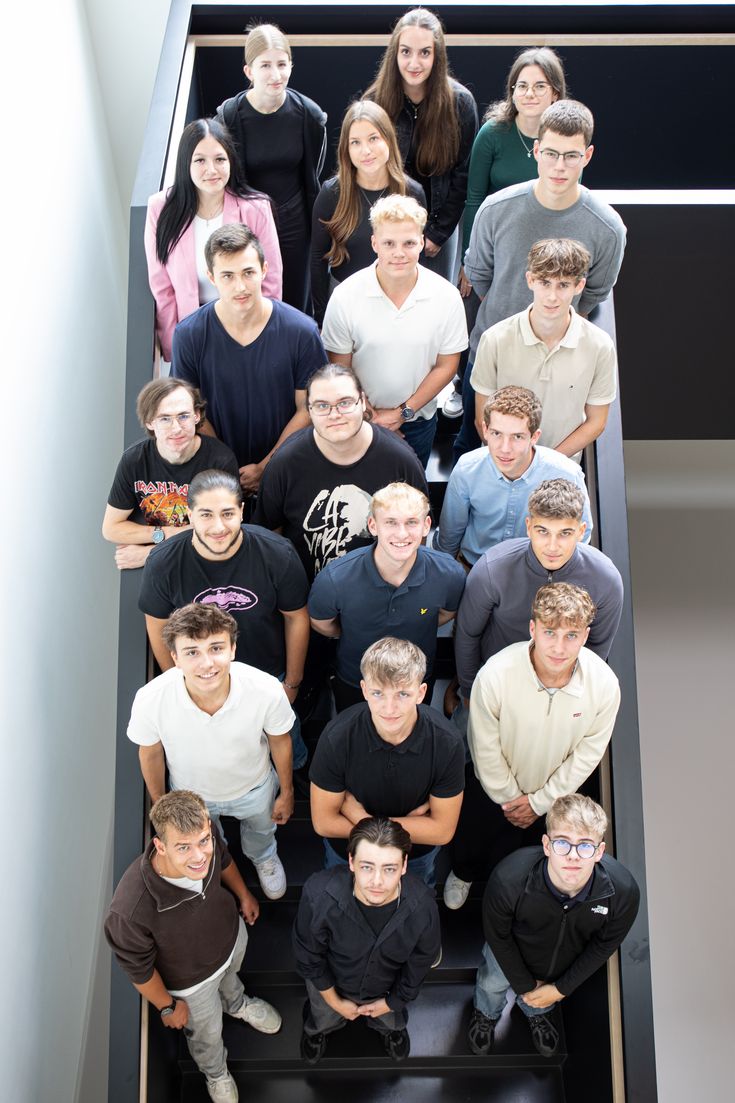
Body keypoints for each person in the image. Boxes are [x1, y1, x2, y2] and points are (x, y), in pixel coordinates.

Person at [455, 99, 626, 458]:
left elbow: (594, 292)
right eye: (551, 153)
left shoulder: (608, 228)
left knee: (546, 454)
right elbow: (480, 275)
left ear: (587, 156)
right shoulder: (496, 209)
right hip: (493, 356)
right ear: (535, 151)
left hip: (560, 365)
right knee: (473, 450)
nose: (559, 166)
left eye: (571, 156)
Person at [444, 582, 620, 911]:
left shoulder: (605, 685)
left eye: (571, 635)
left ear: (585, 636)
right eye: (550, 632)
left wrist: (539, 803)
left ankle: (517, 898)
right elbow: (484, 746)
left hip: (552, 797)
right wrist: (510, 799)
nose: (559, 647)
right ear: (532, 629)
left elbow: (587, 755)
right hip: (493, 788)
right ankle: (463, 874)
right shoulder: (495, 674)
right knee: (473, 839)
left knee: (530, 856)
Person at [105, 790, 281, 1103]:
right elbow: (139, 970)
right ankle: (216, 1073)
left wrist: (243, 894)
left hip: (230, 939)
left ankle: (237, 1004)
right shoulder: (130, 910)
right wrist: (167, 1006)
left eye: (203, 841)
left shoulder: (208, 838)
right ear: (160, 845)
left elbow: (223, 861)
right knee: (207, 1035)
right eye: (183, 847)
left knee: (231, 980)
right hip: (192, 983)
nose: (199, 856)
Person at [138, 469, 310, 768]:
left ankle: (292, 779)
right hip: (203, 680)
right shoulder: (164, 563)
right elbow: (157, 625)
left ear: (242, 511)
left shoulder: (276, 553)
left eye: (228, 513)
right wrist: (181, 680)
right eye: (206, 515)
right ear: (190, 515)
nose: (218, 527)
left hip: (268, 675)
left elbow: (296, 618)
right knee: (220, 752)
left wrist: (291, 684)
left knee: (286, 745)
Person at [127, 604, 296, 900]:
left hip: (254, 787)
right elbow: (150, 754)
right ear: (175, 657)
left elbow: (280, 741)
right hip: (191, 794)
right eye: (192, 652)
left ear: (233, 649)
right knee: (208, 842)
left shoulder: (265, 689)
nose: (207, 663)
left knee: (261, 831)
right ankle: (219, 867)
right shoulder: (151, 699)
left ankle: (263, 856)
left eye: (216, 648)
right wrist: (161, 805)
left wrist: (287, 792)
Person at [468, 794, 640, 1058]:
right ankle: (486, 1013)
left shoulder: (622, 893)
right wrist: (525, 985)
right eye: (562, 843)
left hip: (561, 963)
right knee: (491, 984)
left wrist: (559, 990)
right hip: (508, 954)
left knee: (544, 998)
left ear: (599, 851)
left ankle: (535, 1012)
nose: (573, 856)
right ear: (547, 845)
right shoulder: (509, 879)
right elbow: (497, 936)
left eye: (585, 845)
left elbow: (605, 946)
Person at [446, 47, 567, 420]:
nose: (529, 93)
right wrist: (469, 259)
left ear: (555, 93)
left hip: (542, 252)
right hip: (494, 244)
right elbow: (474, 199)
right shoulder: (493, 133)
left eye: (539, 86)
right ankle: (464, 389)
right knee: (476, 311)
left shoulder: (564, 137)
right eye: (521, 85)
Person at [171, 223, 326, 496]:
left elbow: (310, 408)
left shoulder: (301, 332)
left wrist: (267, 466)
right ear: (211, 277)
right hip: (214, 478)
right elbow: (188, 409)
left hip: (289, 472)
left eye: (248, 273)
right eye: (228, 276)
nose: (240, 286)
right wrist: (226, 466)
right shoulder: (189, 334)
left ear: (264, 270)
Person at [321, 194, 468, 467]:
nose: (399, 253)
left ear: (422, 242)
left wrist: (402, 414)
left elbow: (447, 365)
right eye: (389, 243)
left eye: (409, 243)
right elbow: (339, 367)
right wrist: (370, 416)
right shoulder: (345, 296)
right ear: (374, 243)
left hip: (417, 421)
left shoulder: (446, 296)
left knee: (412, 490)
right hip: (357, 418)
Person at [309, 637, 465, 886]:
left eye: (403, 694)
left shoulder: (447, 743)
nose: (389, 708)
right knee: (341, 898)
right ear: (364, 690)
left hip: (414, 855)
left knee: (413, 904)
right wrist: (412, 825)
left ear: (421, 693)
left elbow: (442, 831)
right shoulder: (337, 737)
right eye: (378, 693)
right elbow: (323, 822)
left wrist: (362, 820)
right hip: (349, 851)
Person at [253, 363, 428, 581]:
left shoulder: (400, 461)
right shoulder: (285, 463)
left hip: (378, 589)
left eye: (344, 403)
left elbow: (417, 534)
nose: (334, 414)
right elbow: (269, 533)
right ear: (309, 410)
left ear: (362, 401)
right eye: (322, 405)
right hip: (305, 588)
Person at [455, 479, 624, 703]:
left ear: (581, 531)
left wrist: (573, 695)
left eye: (565, 533)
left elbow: (597, 648)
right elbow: (468, 634)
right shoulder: (492, 569)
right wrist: (469, 691)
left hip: (563, 689)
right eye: (543, 531)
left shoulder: (605, 580)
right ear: (528, 526)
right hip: (497, 684)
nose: (552, 546)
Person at [294, 816, 441, 1064]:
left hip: (387, 986)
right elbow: (308, 956)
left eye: (389, 868)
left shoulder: (423, 906)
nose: (377, 882)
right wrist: (334, 1002)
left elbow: (421, 961)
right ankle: (318, 1031)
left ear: (404, 865)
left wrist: (392, 1002)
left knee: (391, 1020)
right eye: (367, 867)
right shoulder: (319, 894)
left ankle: (391, 1030)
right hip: (331, 983)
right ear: (351, 861)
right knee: (322, 1016)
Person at [309, 483, 466, 710]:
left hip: (417, 681)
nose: (402, 534)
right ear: (373, 525)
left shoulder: (449, 574)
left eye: (411, 522)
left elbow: (446, 613)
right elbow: (321, 623)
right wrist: (356, 628)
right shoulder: (335, 579)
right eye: (391, 522)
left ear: (426, 526)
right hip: (356, 680)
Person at [144, 117, 282, 363]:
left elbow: (271, 280)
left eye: (220, 159)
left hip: (247, 329)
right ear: (185, 163)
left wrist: (263, 337)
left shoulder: (257, 208)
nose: (211, 170)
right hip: (192, 334)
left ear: (231, 161)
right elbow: (161, 286)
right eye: (200, 160)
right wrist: (173, 345)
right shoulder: (160, 208)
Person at [470, 239, 617, 461]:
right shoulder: (494, 339)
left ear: (579, 286)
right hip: (502, 464)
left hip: (561, 468)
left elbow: (597, 421)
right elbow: (482, 418)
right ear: (530, 280)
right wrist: (516, 461)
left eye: (563, 285)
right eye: (545, 283)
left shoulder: (600, 346)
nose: (552, 296)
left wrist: (542, 465)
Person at [216, 22, 327, 312]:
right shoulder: (229, 118)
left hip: (294, 222)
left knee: (294, 302)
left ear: (291, 65)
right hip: (246, 222)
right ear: (249, 71)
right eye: (265, 65)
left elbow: (314, 174)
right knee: (250, 298)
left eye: (282, 64)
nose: (276, 75)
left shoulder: (309, 115)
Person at [365, 7, 478, 281]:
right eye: (406, 52)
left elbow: (463, 175)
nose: (414, 63)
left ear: (437, 56)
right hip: (387, 227)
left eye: (425, 53)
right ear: (395, 53)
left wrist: (438, 234)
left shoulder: (460, 103)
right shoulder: (375, 102)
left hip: (437, 231)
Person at [435, 386, 592, 568]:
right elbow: (449, 535)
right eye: (496, 434)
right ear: (485, 430)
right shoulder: (467, 469)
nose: (505, 448)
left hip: (537, 574)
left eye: (517, 436)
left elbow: (581, 536)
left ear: (534, 437)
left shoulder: (567, 474)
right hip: (474, 567)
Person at [102, 378, 238, 570]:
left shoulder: (220, 461)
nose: (176, 428)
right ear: (150, 422)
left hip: (205, 564)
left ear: (197, 416)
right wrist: (166, 534)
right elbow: (111, 529)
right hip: (161, 567)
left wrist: (151, 554)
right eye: (165, 418)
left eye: (183, 416)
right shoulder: (134, 460)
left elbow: (223, 533)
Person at [310, 100, 426, 327]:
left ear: (388, 139)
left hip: (397, 304)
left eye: (373, 138)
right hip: (345, 304)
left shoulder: (411, 192)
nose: (366, 150)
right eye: (355, 142)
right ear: (346, 149)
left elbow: (419, 258)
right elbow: (317, 258)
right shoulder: (332, 193)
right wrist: (323, 317)